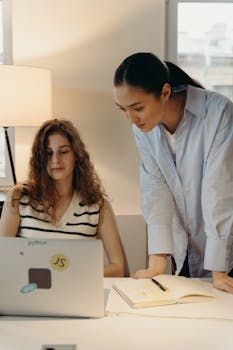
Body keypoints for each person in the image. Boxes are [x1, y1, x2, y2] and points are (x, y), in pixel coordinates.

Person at [113, 52, 233, 293]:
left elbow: (218, 190)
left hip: (227, 250)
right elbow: (155, 191)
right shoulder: (143, 129)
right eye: (123, 109)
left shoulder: (218, 112)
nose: (131, 119)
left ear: (165, 92)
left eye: (137, 108)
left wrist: (218, 271)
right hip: (186, 250)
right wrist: (157, 262)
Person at [0, 118, 128, 277]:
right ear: (40, 158)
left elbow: (119, 268)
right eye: (48, 153)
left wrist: (71, 274)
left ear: (76, 155)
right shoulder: (18, 200)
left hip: (77, 295)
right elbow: (2, 260)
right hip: (28, 294)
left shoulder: (98, 206)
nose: (55, 160)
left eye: (63, 151)